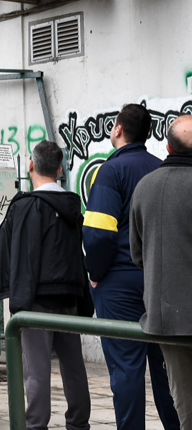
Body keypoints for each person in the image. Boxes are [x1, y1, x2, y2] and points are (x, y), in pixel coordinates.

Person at [83, 103, 179, 430]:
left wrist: (95, 274)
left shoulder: (110, 171)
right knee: (168, 369)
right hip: (160, 282)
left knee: (126, 369)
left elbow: (97, 235)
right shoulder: (161, 169)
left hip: (119, 284)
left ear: (118, 129)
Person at [0, 141, 91, 430]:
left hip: (37, 299)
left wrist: (19, 305)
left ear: (31, 166)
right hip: (70, 297)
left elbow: (24, 257)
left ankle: (36, 425)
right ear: (60, 170)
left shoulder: (28, 206)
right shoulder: (73, 206)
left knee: (36, 370)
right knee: (74, 365)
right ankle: (78, 423)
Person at [130, 114, 192, 429]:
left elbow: (138, 255)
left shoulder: (144, 188)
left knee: (185, 404)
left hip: (167, 319)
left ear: (167, 146)